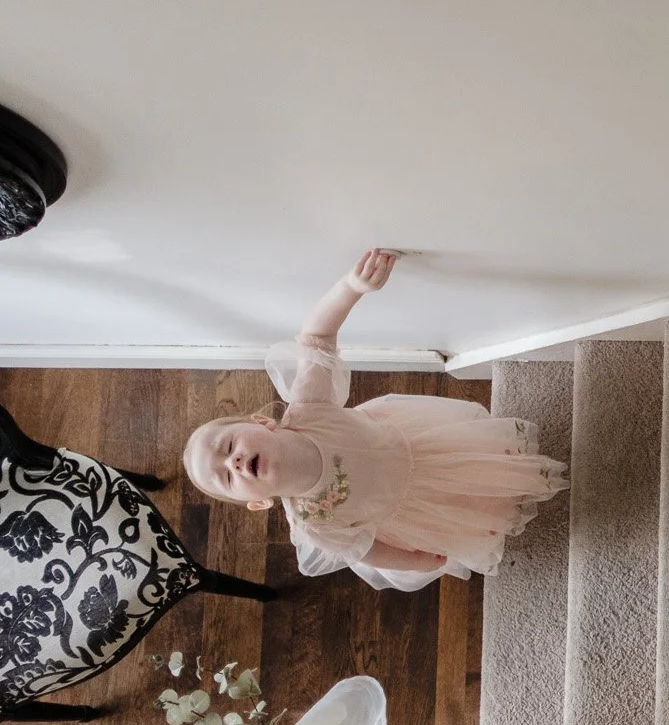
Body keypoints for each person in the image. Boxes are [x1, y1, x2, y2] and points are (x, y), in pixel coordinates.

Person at [181, 249, 566, 591]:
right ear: (258, 503)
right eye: (227, 477)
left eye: (229, 446)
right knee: (470, 508)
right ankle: (496, 509)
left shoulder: (308, 408)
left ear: (260, 423)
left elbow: (316, 336)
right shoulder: (316, 525)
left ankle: (507, 476)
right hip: (409, 507)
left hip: (417, 448)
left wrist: (352, 286)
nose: (232, 462)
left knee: (474, 469)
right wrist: (418, 559)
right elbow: (368, 549)